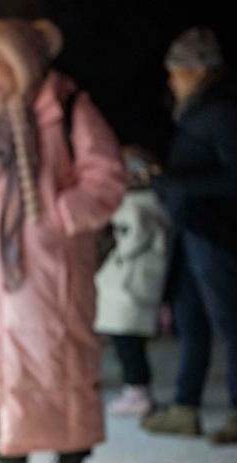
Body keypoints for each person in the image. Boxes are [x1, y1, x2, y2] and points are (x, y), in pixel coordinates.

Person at [0, 18, 126, 463]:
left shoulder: (68, 108)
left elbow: (107, 178)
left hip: (51, 272)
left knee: (59, 366)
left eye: (1, 59)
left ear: (26, 59)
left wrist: (55, 218)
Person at [141, 27, 237, 443]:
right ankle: (185, 408)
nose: (171, 81)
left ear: (196, 70)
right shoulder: (200, 110)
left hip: (217, 234)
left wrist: (175, 183)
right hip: (194, 231)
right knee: (191, 321)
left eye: (175, 72)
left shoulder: (224, 111)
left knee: (230, 323)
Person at [95, 144, 169, 416]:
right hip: (129, 282)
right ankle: (135, 389)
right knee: (127, 340)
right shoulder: (152, 201)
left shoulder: (138, 204)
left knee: (128, 342)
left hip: (128, 283)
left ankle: (137, 391)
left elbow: (135, 236)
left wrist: (117, 255)